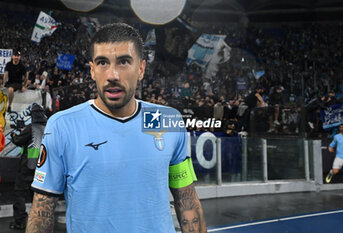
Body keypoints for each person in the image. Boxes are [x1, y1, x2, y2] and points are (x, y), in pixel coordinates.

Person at [26, 23, 207, 233]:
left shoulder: (167, 120)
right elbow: (42, 211)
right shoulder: (63, 126)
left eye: (123, 62)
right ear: (92, 70)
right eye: (103, 62)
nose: (113, 74)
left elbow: (187, 200)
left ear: (141, 69)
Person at [9, 104, 47, 230]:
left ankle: (20, 221)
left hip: (28, 165)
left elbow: (19, 141)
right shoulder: (47, 128)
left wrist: (14, 137)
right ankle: (39, 220)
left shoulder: (32, 128)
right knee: (37, 194)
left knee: (20, 192)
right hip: (41, 167)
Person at [325, 124, 343, 195]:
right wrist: (330, 148)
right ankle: (331, 173)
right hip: (339, 157)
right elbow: (331, 145)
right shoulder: (336, 137)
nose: (341, 128)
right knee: (335, 171)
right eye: (340, 127)